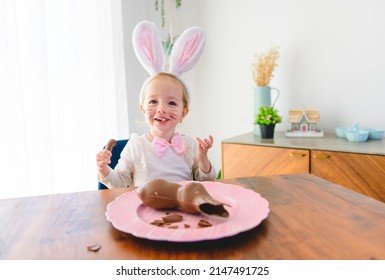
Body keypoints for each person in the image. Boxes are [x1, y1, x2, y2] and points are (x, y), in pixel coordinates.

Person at [96, 21, 216, 188]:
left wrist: (203, 159)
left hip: (182, 209)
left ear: (184, 112)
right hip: (146, 210)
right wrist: (104, 170)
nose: (162, 109)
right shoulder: (136, 146)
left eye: (172, 103)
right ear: (142, 108)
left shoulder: (190, 145)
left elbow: (207, 182)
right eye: (153, 101)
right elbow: (120, 183)